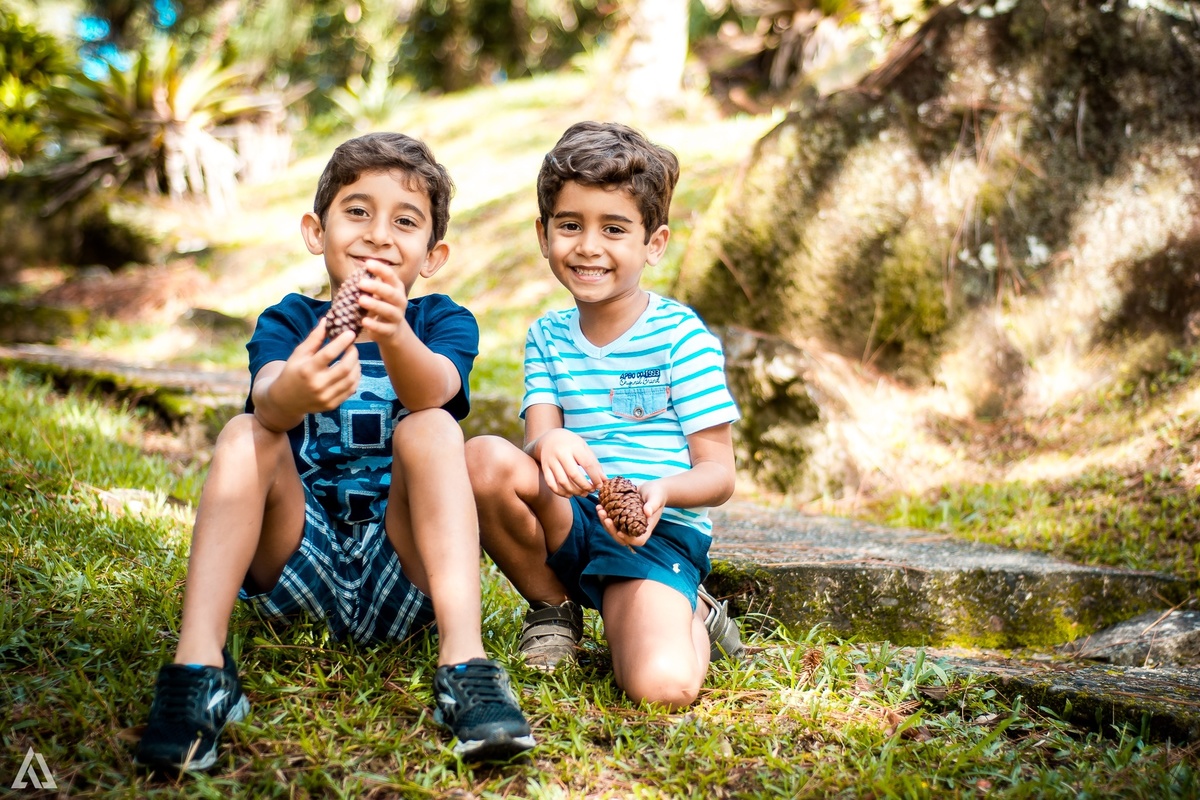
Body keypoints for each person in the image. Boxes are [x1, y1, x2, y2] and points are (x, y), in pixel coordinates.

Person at [134, 132, 533, 773]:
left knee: (431, 430)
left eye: (404, 222)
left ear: (432, 256)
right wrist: (292, 387)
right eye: (357, 212)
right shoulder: (289, 320)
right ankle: (198, 670)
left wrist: (394, 330)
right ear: (315, 232)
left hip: (402, 566)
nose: (378, 235)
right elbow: (267, 401)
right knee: (245, 433)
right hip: (299, 560)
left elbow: (436, 391)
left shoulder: (441, 320)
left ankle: (465, 665)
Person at [465, 121, 745, 710]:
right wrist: (551, 444)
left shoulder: (681, 338)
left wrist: (659, 493)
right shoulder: (547, 335)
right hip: (572, 517)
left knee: (660, 688)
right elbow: (539, 436)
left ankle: (692, 608)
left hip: (652, 530)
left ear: (654, 243)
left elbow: (718, 475)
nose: (589, 246)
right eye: (571, 226)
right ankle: (554, 608)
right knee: (481, 460)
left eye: (614, 229)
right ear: (543, 235)